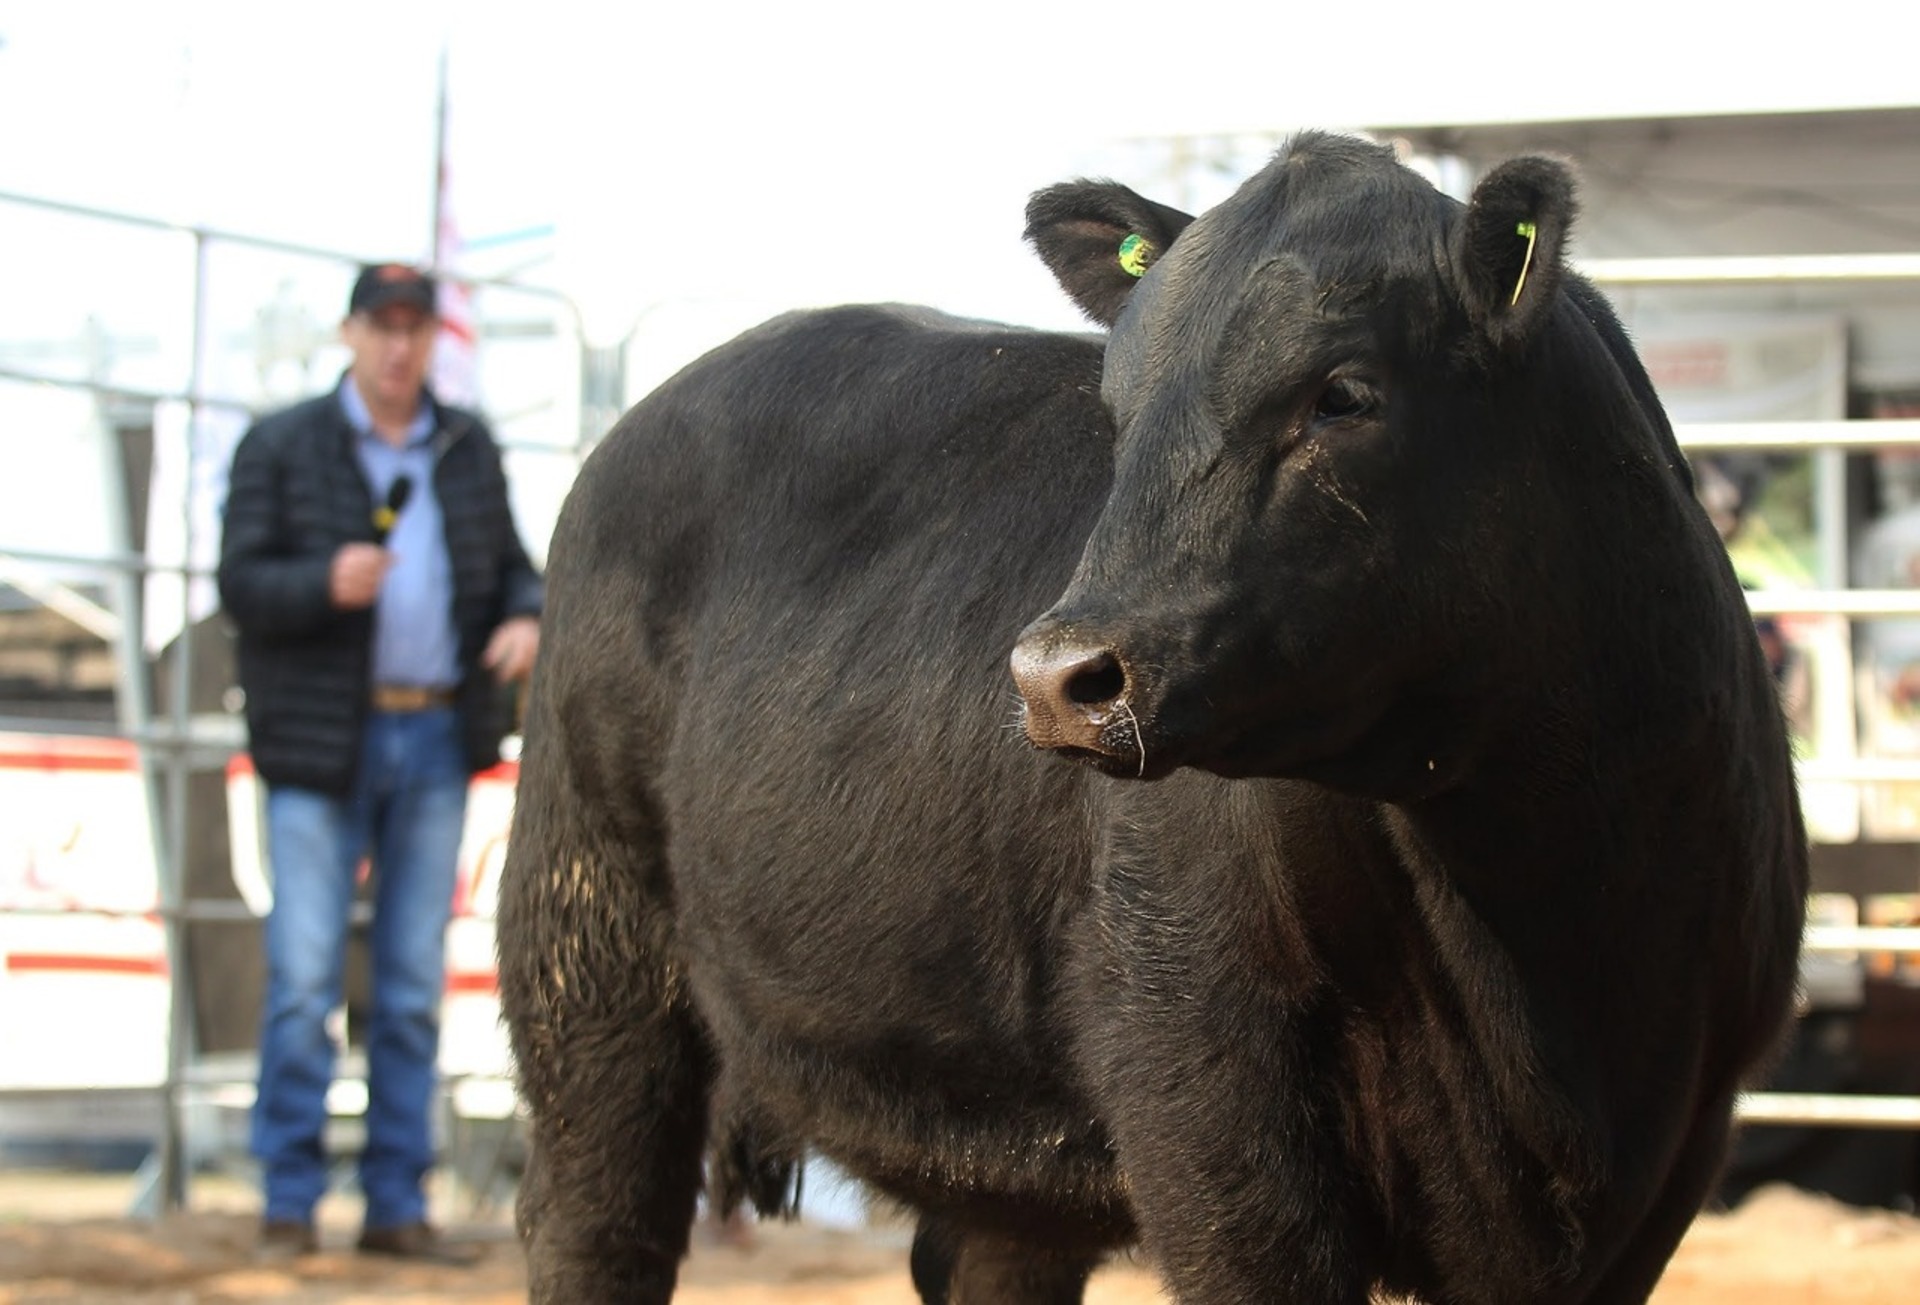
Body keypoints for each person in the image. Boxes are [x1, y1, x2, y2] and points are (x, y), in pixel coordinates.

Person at [217, 262, 542, 1263]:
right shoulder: (281, 445)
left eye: (416, 328)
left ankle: (397, 1203)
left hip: (436, 737)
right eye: (384, 326)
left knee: (407, 985)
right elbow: (240, 584)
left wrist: (527, 615)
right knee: (305, 980)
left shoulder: (463, 445)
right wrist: (322, 582)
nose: (401, 346)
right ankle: (290, 1199)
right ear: (351, 333)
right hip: (322, 741)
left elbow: (513, 570)